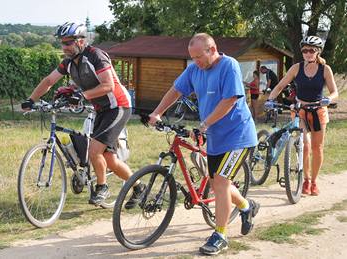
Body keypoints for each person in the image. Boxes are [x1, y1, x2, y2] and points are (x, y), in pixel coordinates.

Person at [148, 33, 259, 255]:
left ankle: (220, 235)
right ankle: (247, 207)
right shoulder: (194, 69)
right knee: (218, 182)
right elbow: (176, 90)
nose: (196, 61)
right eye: (193, 57)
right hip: (216, 137)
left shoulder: (229, 65)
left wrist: (205, 124)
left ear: (212, 49)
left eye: (199, 56)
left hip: (238, 136)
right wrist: (157, 112)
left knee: (220, 182)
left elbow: (230, 100)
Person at [21, 22, 145, 207]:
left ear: (81, 41)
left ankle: (102, 188)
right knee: (109, 159)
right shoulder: (68, 63)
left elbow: (108, 85)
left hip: (118, 106)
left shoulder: (96, 56)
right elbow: (49, 80)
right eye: (62, 43)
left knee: (94, 150)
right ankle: (139, 187)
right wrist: (31, 100)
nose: (65, 47)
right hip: (101, 109)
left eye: (69, 42)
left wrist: (81, 95)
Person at [265, 35, 338, 196]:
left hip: (319, 110)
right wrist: (270, 99)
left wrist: (328, 99)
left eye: (311, 50)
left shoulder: (325, 69)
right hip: (300, 110)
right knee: (304, 144)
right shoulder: (296, 68)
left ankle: (314, 181)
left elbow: (335, 92)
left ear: (318, 52)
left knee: (317, 148)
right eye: (305, 50)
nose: (308, 53)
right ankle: (305, 179)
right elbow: (280, 86)